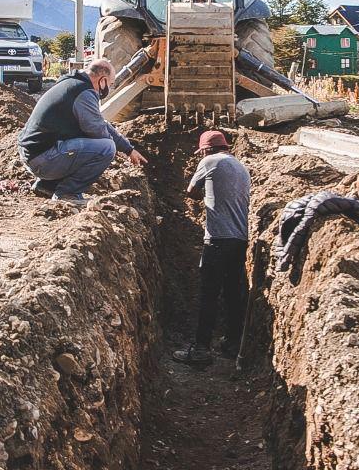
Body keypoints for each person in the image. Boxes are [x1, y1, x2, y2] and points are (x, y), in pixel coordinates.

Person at [17, 58, 147, 206]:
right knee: (106, 148)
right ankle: (67, 193)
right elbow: (98, 131)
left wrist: (128, 149)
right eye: (110, 84)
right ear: (102, 80)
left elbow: (99, 123)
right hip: (42, 160)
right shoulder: (84, 93)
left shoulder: (71, 82)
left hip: (33, 154)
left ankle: (47, 186)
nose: (108, 88)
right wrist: (115, 150)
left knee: (92, 144)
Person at [173, 129, 251, 365]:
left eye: (201, 152)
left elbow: (191, 191)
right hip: (240, 240)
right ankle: (232, 344)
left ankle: (200, 351)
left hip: (217, 239)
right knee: (232, 294)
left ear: (206, 149)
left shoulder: (209, 161)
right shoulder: (241, 167)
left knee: (208, 295)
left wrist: (205, 195)